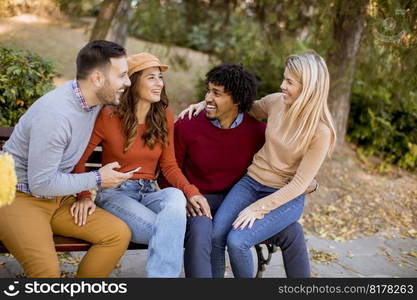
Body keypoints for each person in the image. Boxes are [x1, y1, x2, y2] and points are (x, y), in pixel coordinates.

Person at [181, 52, 336, 278]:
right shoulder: (276, 102)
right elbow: (237, 103)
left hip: (286, 195)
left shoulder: (321, 132)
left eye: (290, 82)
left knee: (237, 242)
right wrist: (207, 103)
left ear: (309, 87)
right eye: (284, 79)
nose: (282, 86)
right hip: (251, 183)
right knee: (215, 236)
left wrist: (258, 208)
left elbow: (300, 184)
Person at [0, 40, 133, 278]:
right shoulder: (56, 115)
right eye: (122, 75)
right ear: (97, 78)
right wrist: (96, 179)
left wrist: (206, 105)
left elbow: (145, 93)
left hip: (58, 198)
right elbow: (41, 183)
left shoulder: (94, 101)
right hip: (17, 196)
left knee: (117, 234)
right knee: (47, 274)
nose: (128, 82)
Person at [72, 52, 206, 278]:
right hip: (115, 194)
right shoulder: (108, 115)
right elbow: (79, 158)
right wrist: (84, 194)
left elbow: (170, 166)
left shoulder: (163, 115)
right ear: (133, 82)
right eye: (151, 77)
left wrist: (191, 192)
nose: (159, 83)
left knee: (175, 197)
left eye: (160, 78)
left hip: (149, 192)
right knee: (167, 229)